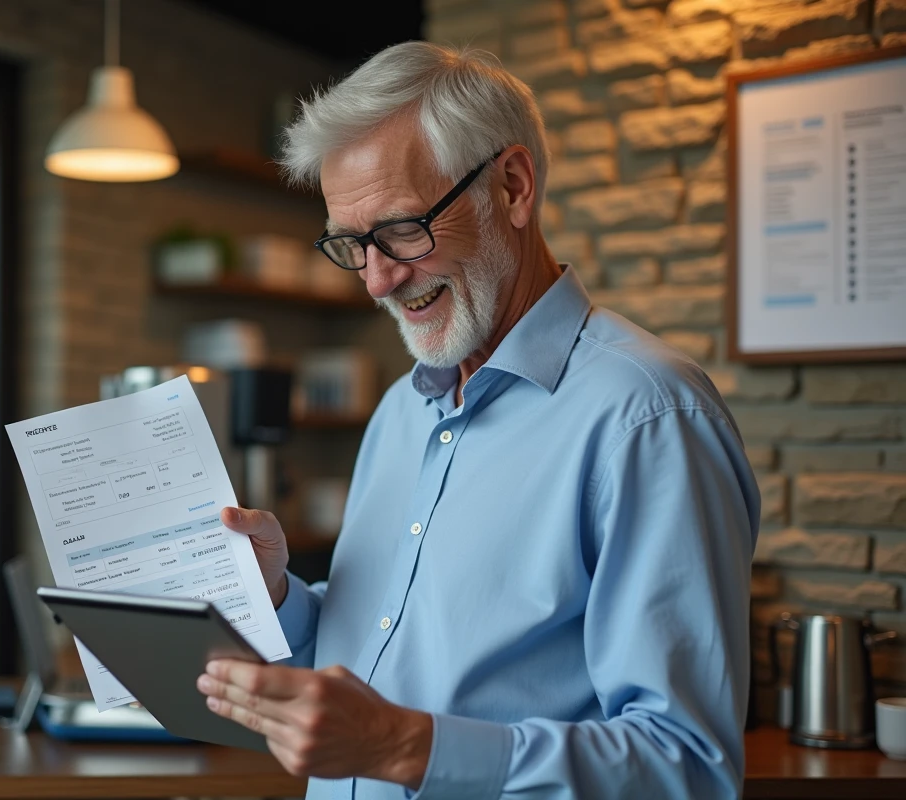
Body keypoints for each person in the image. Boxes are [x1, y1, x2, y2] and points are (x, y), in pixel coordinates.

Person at [196, 41, 760, 799]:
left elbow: (685, 768)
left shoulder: (648, 417)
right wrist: (279, 598)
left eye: (400, 229)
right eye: (351, 245)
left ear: (514, 187)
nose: (377, 280)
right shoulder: (400, 411)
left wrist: (406, 747)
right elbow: (386, 649)